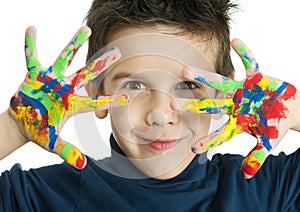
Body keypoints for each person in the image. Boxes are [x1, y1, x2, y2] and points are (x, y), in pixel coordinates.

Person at [0, 0, 299, 211]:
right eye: (135, 85)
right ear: (94, 91)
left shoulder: (267, 189)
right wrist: (12, 127)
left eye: (188, 85)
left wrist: (292, 110)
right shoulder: (39, 197)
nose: (160, 114)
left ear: (228, 94)